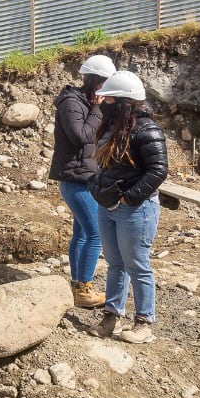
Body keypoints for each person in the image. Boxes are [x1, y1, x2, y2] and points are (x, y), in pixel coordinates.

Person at [88, 70, 168, 344]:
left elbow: (158, 170)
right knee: (114, 264)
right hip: (108, 205)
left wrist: (129, 197)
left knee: (138, 265)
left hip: (136, 209)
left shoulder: (147, 130)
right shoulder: (112, 127)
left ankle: (144, 323)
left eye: (108, 98)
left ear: (123, 101)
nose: (102, 102)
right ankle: (112, 316)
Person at [49, 54, 116, 309]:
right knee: (94, 233)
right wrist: (98, 109)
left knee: (80, 233)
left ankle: (77, 285)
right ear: (93, 80)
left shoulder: (86, 102)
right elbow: (80, 136)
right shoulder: (71, 103)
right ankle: (85, 289)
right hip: (75, 178)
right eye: (104, 82)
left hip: (85, 176)